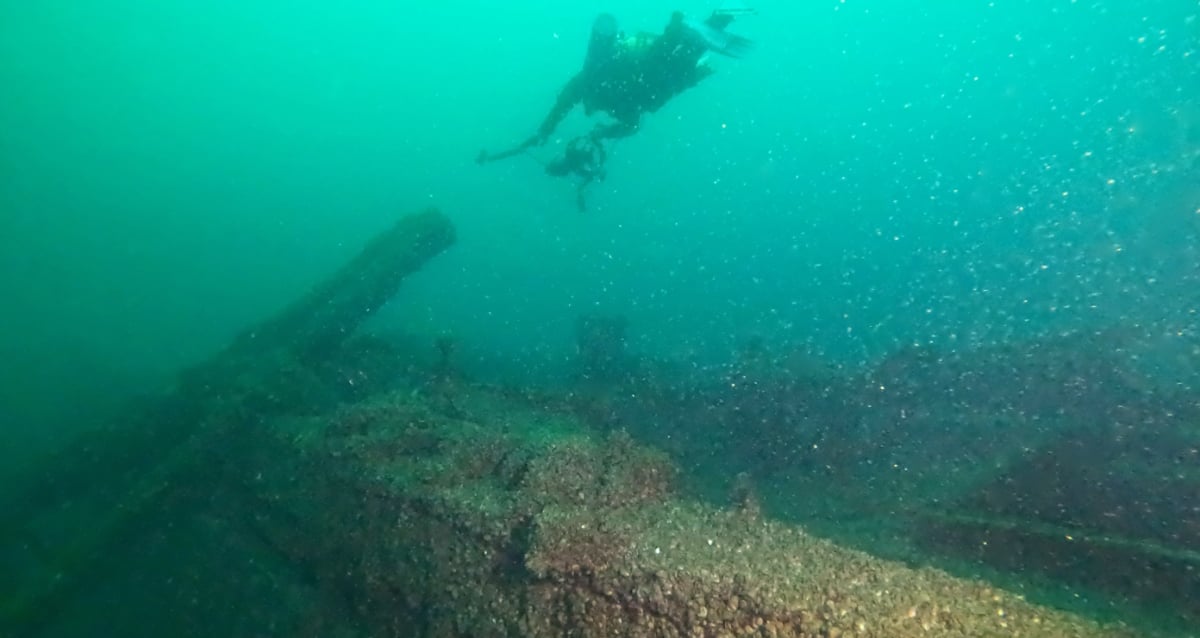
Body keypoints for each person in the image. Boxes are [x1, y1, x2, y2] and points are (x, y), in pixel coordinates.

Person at [477, 6, 753, 210]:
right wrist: (589, 132)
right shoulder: (596, 90)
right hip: (633, 73)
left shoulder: (591, 87)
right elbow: (570, 105)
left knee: (667, 77)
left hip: (628, 77)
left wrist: (548, 132)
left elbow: (569, 105)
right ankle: (710, 24)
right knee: (663, 74)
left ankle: (698, 31)